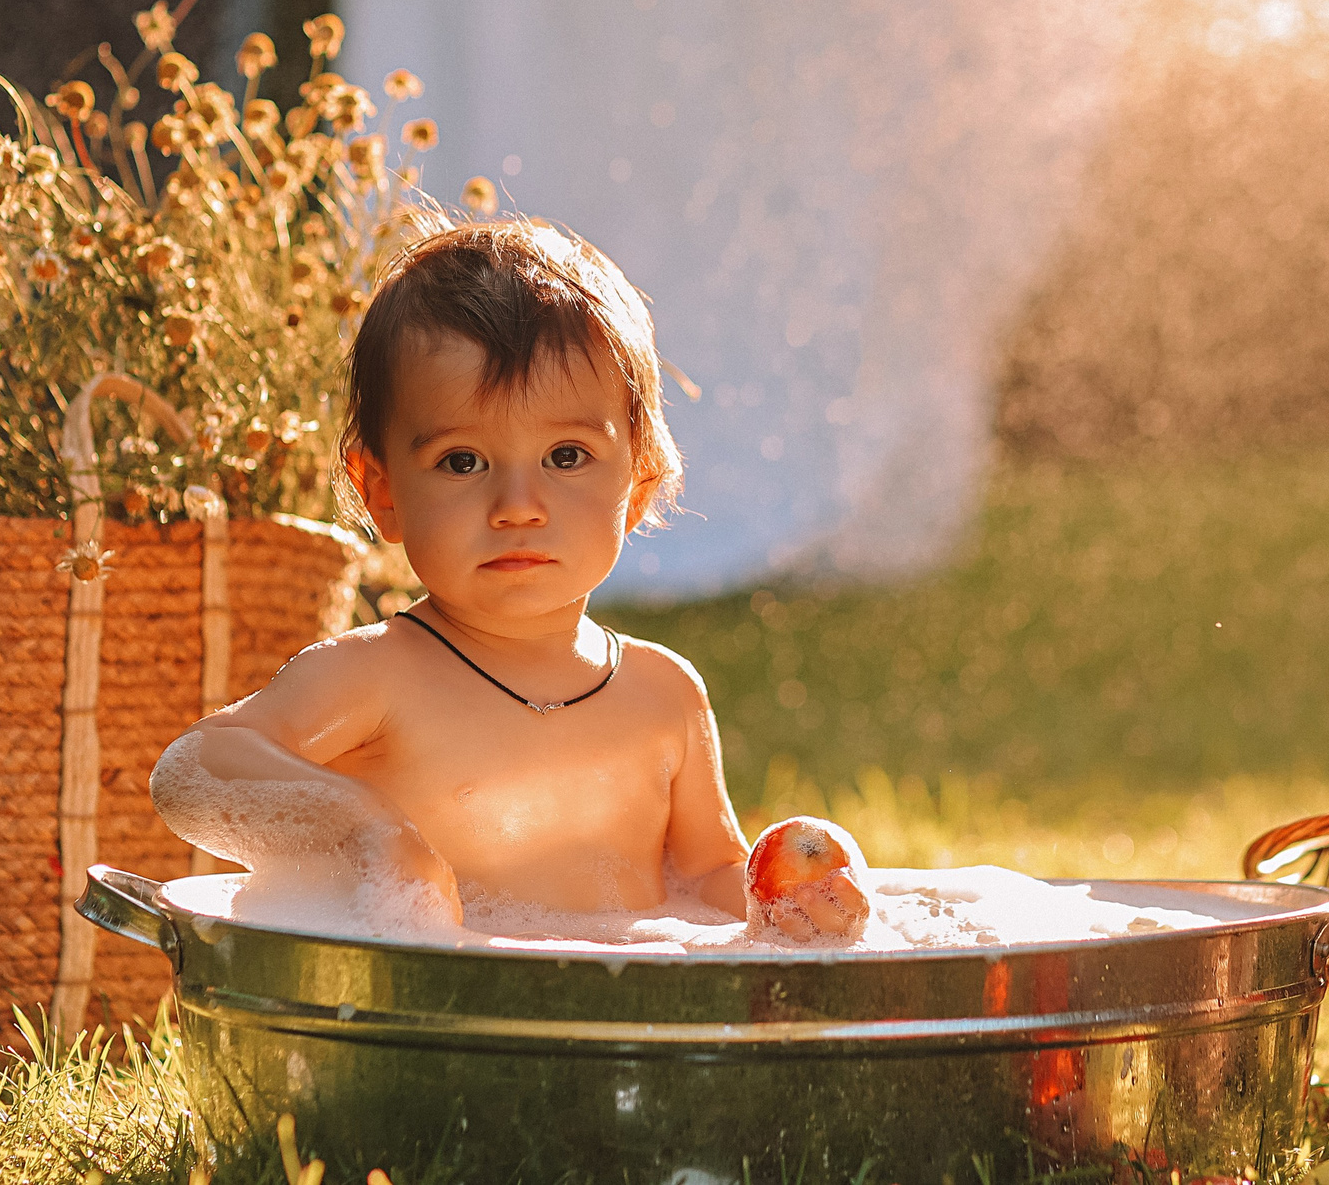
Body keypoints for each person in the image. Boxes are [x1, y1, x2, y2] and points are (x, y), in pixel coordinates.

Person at [149, 218, 866, 942]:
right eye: (463, 461)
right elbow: (193, 768)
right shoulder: (379, 676)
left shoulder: (664, 695)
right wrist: (367, 830)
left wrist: (784, 907)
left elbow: (712, 874)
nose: (518, 507)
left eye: (565, 455)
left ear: (639, 485)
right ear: (383, 490)